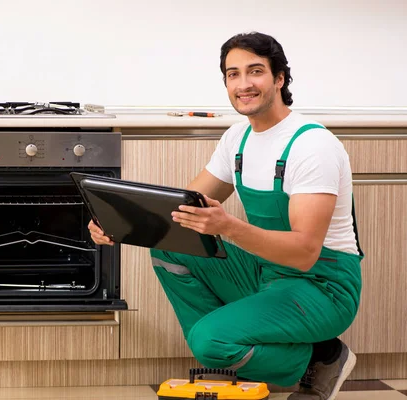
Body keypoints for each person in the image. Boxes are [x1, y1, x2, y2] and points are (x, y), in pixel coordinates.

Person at [88, 31, 363, 400]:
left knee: (209, 341)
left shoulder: (312, 146)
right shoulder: (238, 139)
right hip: (267, 270)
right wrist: (118, 224)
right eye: (233, 74)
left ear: (279, 78)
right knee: (172, 249)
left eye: (255, 71)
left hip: (322, 284)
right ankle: (240, 344)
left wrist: (229, 227)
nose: (243, 84)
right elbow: (180, 212)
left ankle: (322, 356)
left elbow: (304, 252)